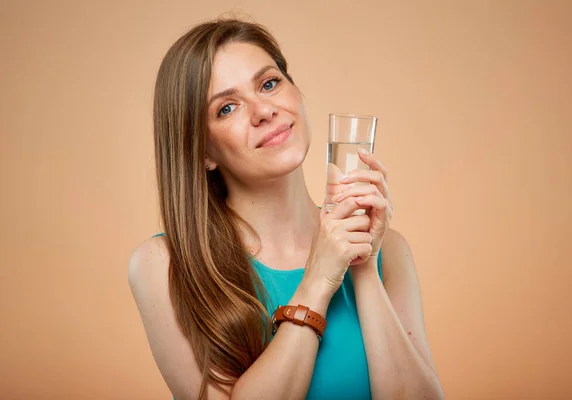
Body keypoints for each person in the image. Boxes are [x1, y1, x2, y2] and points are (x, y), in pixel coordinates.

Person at [128, 17, 444, 400]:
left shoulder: (388, 251)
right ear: (203, 151)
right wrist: (318, 280)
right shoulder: (164, 263)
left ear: (296, 92)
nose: (263, 110)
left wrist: (362, 267)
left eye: (269, 83)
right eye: (227, 108)